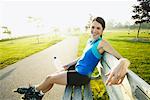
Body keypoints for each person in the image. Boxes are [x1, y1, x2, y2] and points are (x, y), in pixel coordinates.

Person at [15, 17, 130, 100]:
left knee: (49, 78)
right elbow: (82, 57)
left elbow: (122, 58)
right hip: (77, 70)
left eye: (98, 28)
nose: (94, 30)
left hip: (82, 76)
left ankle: (33, 90)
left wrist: (123, 63)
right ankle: (38, 94)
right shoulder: (90, 41)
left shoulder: (102, 43)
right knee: (52, 77)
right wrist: (67, 65)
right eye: (92, 27)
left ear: (102, 30)